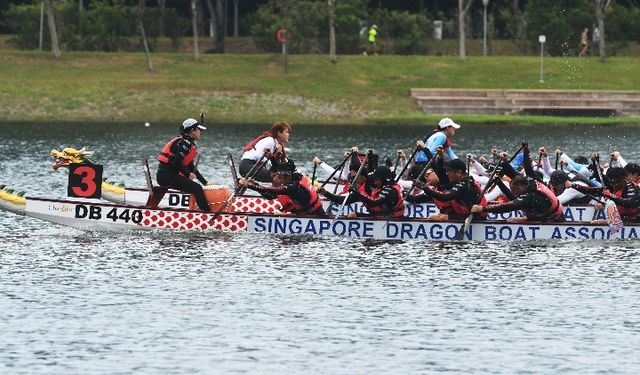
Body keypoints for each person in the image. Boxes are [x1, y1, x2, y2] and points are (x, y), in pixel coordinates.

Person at [157, 118, 212, 212]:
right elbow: (177, 163)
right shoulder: (184, 143)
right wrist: (188, 174)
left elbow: (190, 165)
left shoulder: (187, 143)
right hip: (166, 177)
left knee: (197, 186)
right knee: (197, 188)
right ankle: (207, 213)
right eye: (199, 129)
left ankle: (199, 209)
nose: (200, 132)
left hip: (170, 176)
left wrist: (205, 182)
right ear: (192, 131)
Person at [406, 158, 486, 221]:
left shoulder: (464, 185)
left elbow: (445, 198)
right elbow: (417, 199)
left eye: (449, 171)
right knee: (435, 217)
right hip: (462, 215)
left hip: (473, 218)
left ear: (458, 173)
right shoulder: (452, 183)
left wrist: (424, 187)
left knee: (433, 218)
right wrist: (404, 195)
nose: (446, 173)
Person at [239, 159, 326, 216]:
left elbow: (271, 190)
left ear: (287, 176)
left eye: (279, 178)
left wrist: (249, 186)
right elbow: (269, 196)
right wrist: (255, 183)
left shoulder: (294, 187)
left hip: (315, 217)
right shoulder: (295, 179)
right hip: (307, 215)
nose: (278, 181)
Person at [471, 174, 565, 223]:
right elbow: (513, 198)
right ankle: (526, 219)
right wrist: (499, 183)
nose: (512, 192)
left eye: (513, 190)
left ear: (520, 188)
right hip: (544, 216)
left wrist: (483, 209)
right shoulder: (529, 184)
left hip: (554, 220)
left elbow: (509, 206)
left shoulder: (530, 196)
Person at [568, 167, 640, 222]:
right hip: (618, 220)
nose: (613, 185)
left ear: (623, 179)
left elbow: (630, 203)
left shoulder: (631, 189)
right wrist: (573, 185)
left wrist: (611, 196)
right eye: (611, 182)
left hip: (632, 220)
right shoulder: (613, 187)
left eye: (615, 182)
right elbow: (591, 190)